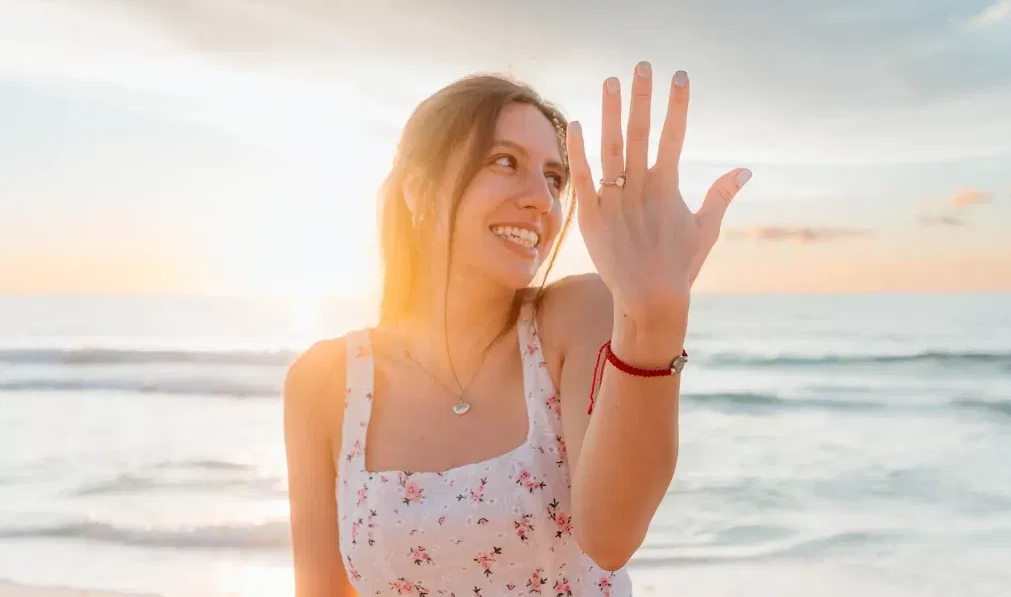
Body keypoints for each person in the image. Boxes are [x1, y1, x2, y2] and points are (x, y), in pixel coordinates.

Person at [283, 62, 752, 596]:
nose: (541, 200)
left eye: (554, 179)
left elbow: (611, 537)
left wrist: (655, 321)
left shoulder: (574, 318)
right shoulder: (324, 383)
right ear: (419, 188)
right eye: (505, 162)